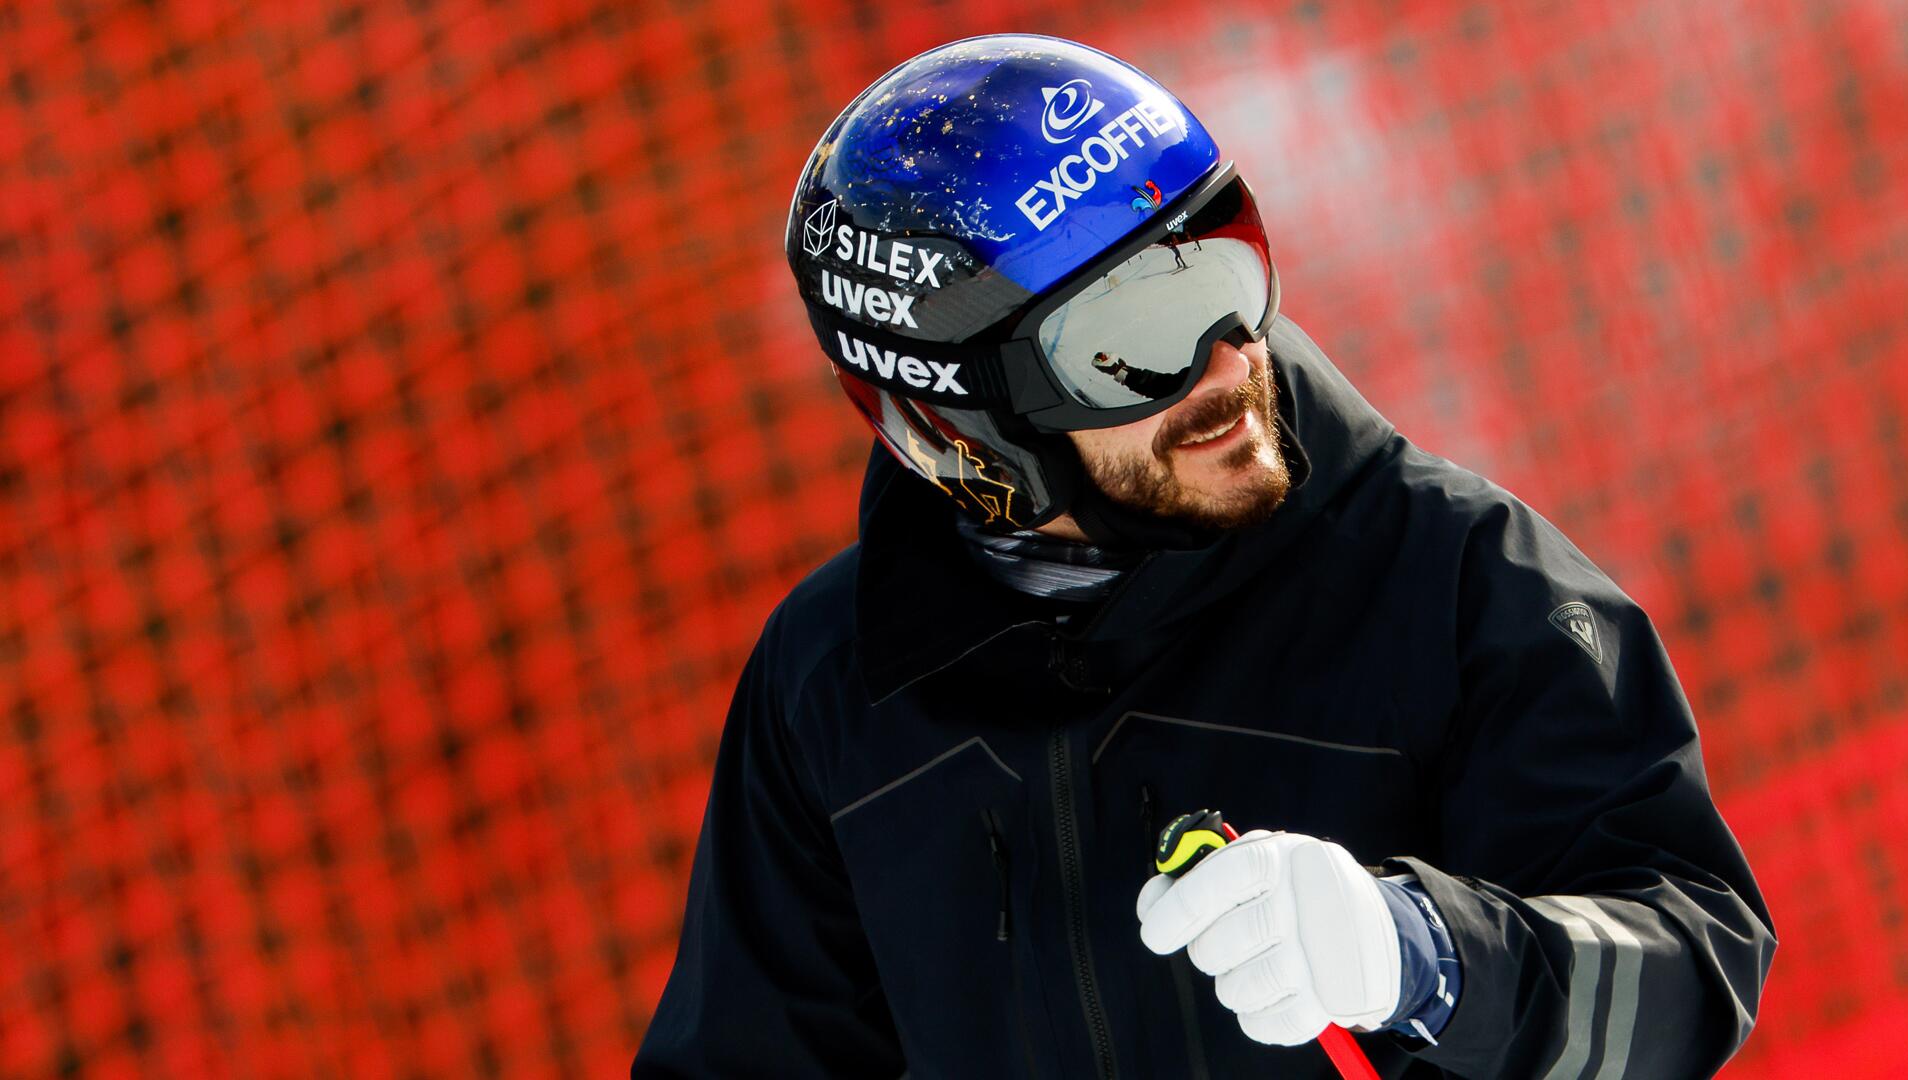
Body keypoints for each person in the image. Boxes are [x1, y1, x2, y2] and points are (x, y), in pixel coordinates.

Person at [634, 33, 1774, 1079]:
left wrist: (1425, 956)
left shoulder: (1452, 574)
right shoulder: (835, 686)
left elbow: (1693, 961)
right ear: (968, 423)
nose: (1227, 364)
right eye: (1131, 342)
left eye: (1225, 270)